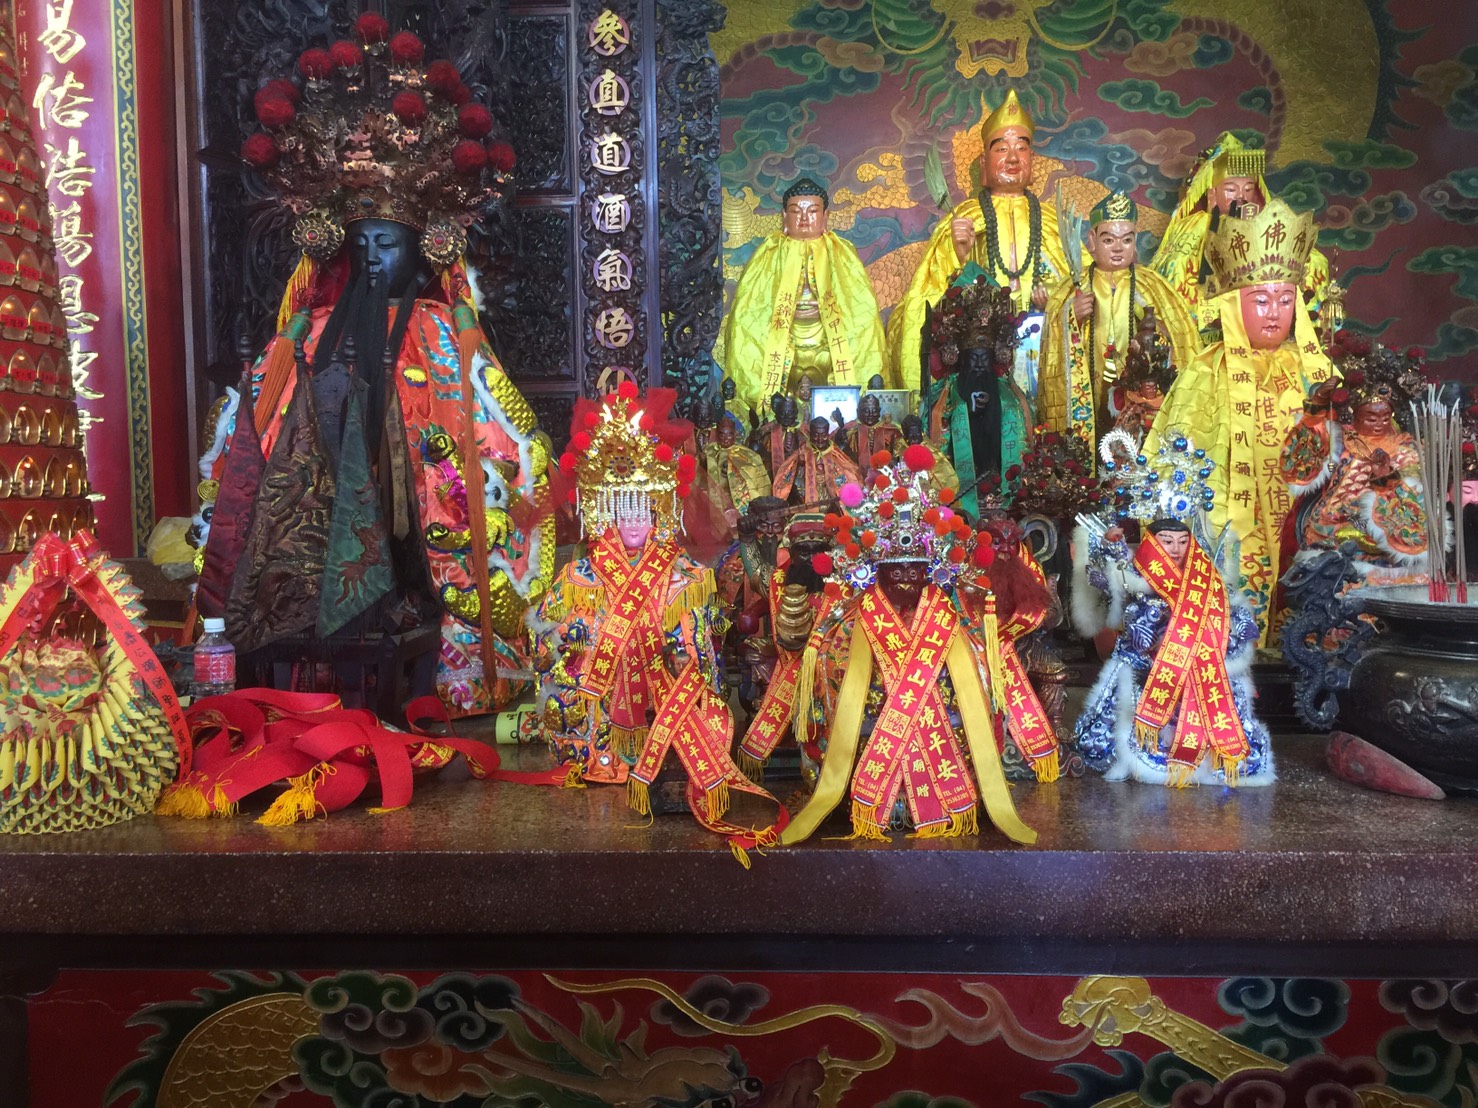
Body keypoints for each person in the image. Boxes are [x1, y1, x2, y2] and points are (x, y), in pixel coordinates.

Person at [199, 23, 552, 716]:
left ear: (422, 251)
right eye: (359, 245)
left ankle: (444, 648)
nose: (370, 258)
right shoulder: (307, 337)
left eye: (387, 243)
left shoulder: (444, 337)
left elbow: (496, 442)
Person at [535, 385, 784, 851]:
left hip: (663, 700)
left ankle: (664, 751)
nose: (633, 524)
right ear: (604, 512)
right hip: (603, 705)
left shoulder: (687, 575)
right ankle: (602, 753)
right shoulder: (578, 577)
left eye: (643, 511)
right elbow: (552, 646)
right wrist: (587, 635)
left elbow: (704, 648)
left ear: (660, 512)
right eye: (622, 511)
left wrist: (677, 647)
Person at [780, 444, 1037, 844]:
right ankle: (857, 790)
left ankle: (948, 791)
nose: (904, 578)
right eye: (894, 570)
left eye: (914, 569)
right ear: (874, 571)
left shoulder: (952, 620)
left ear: (931, 570)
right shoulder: (848, 623)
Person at [1144, 198, 1334, 643]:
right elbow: (1177, 457)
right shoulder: (1206, 371)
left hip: (1301, 519)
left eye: (1285, 300)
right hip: (1232, 521)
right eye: (1261, 300)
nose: (1274, 312)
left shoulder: (1315, 370)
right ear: (1233, 303)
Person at [1071, 443, 1273, 787]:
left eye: (1182, 541)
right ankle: (1131, 753)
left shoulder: (1207, 578)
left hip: (1202, 662)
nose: (1176, 549)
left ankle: (1212, 757)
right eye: (1167, 541)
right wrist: (1111, 552)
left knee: (1227, 689)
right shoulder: (1133, 574)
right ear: (1153, 543)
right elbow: (1104, 590)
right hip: (1149, 661)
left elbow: (1233, 611)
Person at [888, 91, 1081, 393]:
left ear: (1032, 161)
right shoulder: (965, 219)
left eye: (1022, 149)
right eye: (1001, 149)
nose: (1013, 158)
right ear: (983, 163)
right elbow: (932, 297)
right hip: (982, 351)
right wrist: (961, 256)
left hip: (1043, 344)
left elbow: (1080, 287)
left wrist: (1055, 301)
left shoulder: (1054, 224)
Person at [1039, 192, 1198, 460]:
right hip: (1090, 388)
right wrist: (1071, 317)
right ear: (1091, 240)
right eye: (1108, 240)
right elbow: (1053, 342)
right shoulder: (1071, 287)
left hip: (1136, 389)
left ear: (1135, 242)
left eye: (1126, 240)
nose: (1118, 248)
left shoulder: (1153, 287)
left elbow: (1177, 338)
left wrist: (1152, 325)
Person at [719, 177, 888, 418]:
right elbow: (749, 310)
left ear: (825, 217)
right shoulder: (769, 253)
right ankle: (763, 419)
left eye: (813, 212)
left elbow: (861, 308)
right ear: (784, 217)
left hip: (828, 342)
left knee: (860, 342)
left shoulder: (842, 253)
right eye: (796, 212)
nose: (805, 219)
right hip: (783, 340)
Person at [1150, 132, 1331, 333]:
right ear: (1212, 196)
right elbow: (1179, 272)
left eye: (1248, 189)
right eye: (1230, 189)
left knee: (1316, 261)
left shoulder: (1266, 225)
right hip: (1211, 314)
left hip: (1264, 309)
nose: (1240, 197)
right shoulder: (1196, 226)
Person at [1281, 336, 1427, 580]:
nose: (1379, 424)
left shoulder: (1405, 450)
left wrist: (1386, 481)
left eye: (1385, 417)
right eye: (1371, 418)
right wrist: (1316, 411)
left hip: (1384, 539)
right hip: (1332, 528)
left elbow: (1415, 517)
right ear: (1354, 413)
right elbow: (1298, 466)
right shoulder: (1341, 439)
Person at [735, 513, 838, 784]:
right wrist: (747, 539)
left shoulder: (846, 584)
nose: (811, 558)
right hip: (789, 661)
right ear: (791, 553)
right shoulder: (778, 581)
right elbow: (757, 572)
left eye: (819, 551)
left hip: (832, 670)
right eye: (803, 551)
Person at [922, 274, 1033, 517]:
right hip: (960, 487)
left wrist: (992, 410)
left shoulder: (1008, 393)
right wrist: (965, 411)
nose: (980, 365)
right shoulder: (946, 392)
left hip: (996, 479)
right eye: (974, 359)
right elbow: (934, 432)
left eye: (985, 359)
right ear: (961, 359)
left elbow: (1021, 427)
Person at [772, 416, 863, 506]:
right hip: (805, 499)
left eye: (823, 435)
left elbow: (851, 473)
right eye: (815, 435)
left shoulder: (836, 453)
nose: (820, 439)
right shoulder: (801, 453)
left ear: (828, 434)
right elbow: (786, 478)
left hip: (831, 500)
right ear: (810, 435)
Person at [840, 392, 902, 471]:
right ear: (858, 411)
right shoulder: (849, 431)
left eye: (874, 411)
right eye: (866, 411)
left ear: (879, 411)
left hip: (885, 474)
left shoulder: (891, 431)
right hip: (856, 474)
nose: (870, 414)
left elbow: (898, 457)